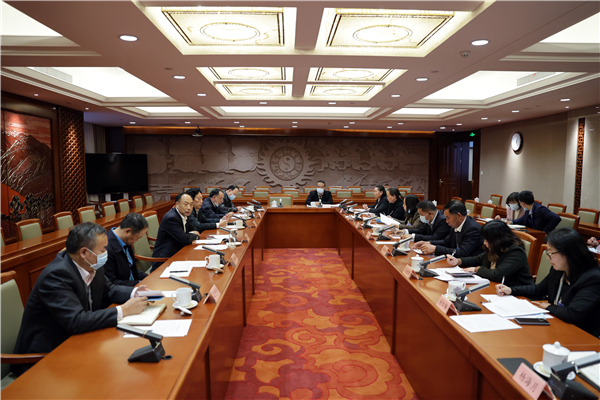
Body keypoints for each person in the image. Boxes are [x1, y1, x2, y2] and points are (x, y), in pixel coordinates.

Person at [11, 223, 149, 375]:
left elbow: (109, 290)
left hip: (79, 341)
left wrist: (136, 293)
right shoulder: (56, 275)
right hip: (45, 356)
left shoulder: (92, 264)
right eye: (103, 249)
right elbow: (76, 320)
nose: (106, 253)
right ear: (84, 252)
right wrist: (123, 310)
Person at [497, 228, 600, 337]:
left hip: (581, 335)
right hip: (556, 324)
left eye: (551, 252)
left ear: (568, 253)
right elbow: (538, 289)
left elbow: (572, 314)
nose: (547, 257)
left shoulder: (592, 279)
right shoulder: (559, 270)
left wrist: (548, 307)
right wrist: (511, 290)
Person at [446, 220, 534, 286]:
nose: (484, 242)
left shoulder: (516, 252)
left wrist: (477, 269)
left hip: (518, 295)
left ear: (498, 240)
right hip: (497, 288)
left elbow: (497, 274)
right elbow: (478, 259)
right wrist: (458, 261)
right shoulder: (496, 247)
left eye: (487, 240)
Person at [151, 192, 201, 271]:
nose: (189, 208)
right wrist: (193, 236)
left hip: (178, 253)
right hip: (165, 261)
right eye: (185, 204)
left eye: (191, 204)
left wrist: (190, 235)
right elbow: (185, 240)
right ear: (177, 204)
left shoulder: (183, 215)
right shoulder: (171, 218)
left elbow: (195, 230)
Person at [416, 200, 484, 257]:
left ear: (458, 215)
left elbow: (462, 252)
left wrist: (435, 249)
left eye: (448, 218)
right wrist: (429, 242)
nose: (446, 221)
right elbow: (446, 242)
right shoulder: (456, 224)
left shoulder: (472, 229)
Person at [105, 213, 149, 286]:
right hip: (124, 290)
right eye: (137, 237)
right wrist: (139, 283)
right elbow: (112, 283)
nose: (137, 240)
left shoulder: (125, 240)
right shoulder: (107, 248)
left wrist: (148, 277)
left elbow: (130, 269)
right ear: (128, 231)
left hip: (133, 285)